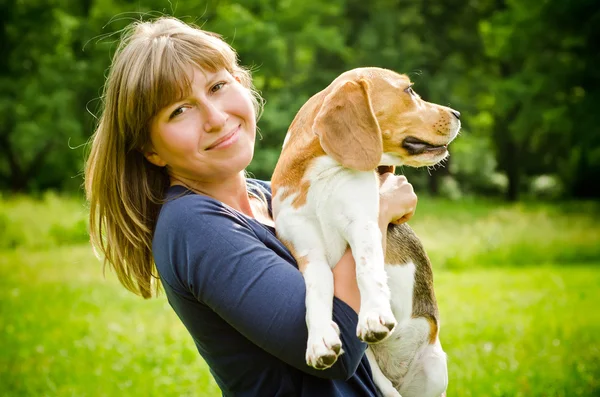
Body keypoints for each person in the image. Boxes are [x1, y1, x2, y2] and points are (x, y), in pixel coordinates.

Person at [85, 16, 418, 397]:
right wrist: (375, 211)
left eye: (217, 86)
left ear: (241, 83)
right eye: (179, 110)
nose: (215, 118)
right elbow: (338, 350)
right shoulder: (193, 226)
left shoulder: (273, 196)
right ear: (151, 151)